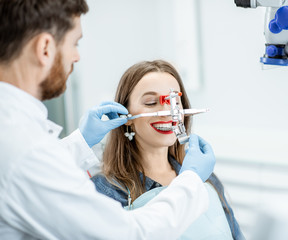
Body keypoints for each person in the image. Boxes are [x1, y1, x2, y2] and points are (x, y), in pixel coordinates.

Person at [0, 1, 216, 239]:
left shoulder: (15, 132)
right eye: (75, 43)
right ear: (45, 48)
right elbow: (129, 234)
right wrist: (192, 180)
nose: (76, 57)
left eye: (174, 102)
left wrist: (81, 142)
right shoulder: (26, 147)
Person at [91, 60, 246, 240]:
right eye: (151, 102)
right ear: (126, 117)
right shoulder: (105, 191)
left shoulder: (205, 178)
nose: (168, 112)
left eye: (175, 101)